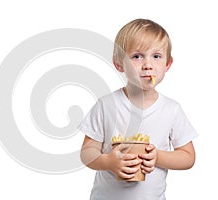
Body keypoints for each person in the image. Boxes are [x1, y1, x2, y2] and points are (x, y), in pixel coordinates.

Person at [78, 18, 198, 200]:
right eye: (137, 56)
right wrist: (108, 161)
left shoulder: (171, 110)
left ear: (168, 64)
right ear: (119, 64)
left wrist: (157, 157)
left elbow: (188, 157)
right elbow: (87, 153)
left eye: (156, 56)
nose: (148, 65)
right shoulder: (106, 105)